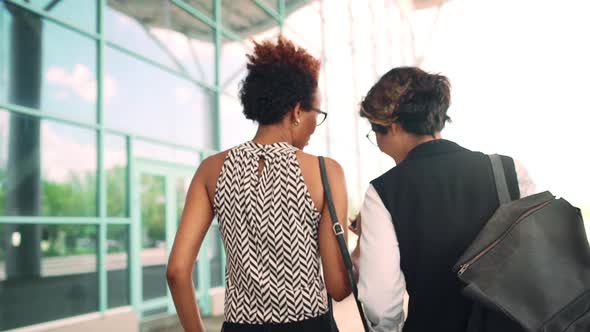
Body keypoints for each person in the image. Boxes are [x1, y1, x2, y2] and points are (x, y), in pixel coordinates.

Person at [166, 36, 351, 332]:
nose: (317, 123)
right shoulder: (325, 171)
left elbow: (177, 270)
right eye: (318, 112)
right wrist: (362, 247)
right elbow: (339, 287)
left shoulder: (210, 170)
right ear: (297, 111)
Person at [356, 67, 536, 332]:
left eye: (375, 133)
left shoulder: (384, 192)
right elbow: (535, 262)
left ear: (392, 127)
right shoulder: (510, 171)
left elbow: (379, 302)